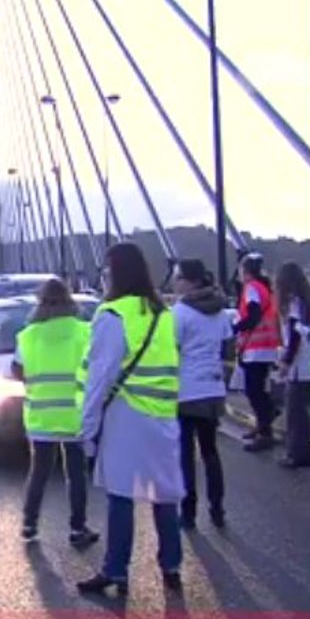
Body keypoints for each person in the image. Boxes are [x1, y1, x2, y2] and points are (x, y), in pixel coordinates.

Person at [77, 243, 183, 597]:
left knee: (121, 494)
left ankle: (116, 570)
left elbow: (100, 377)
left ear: (114, 273)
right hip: (163, 414)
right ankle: (171, 565)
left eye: (105, 271)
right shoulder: (163, 313)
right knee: (164, 494)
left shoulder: (113, 315)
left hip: (127, 413)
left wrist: (87, 428)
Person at [11, 278, 98, 546]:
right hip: (74, 414)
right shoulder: (84, 331)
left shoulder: (27, 335)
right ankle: (77, 527)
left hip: (41, 415)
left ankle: (29, 523)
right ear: (69, 299)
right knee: (76, 474)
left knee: (39, 472)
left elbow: (17, 371)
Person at [170, 259, 232, 530]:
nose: (174, 282)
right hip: (213, 388)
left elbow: (172, 350)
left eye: (178, 277)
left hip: (186, 389)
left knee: (185, 453)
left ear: (191, 281)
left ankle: (189, 511)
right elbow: (227, 348)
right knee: (210, 451)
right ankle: (217, 509)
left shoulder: (180, 312)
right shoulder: (220, 311)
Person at [234, 252, 280, 452]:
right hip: (267, 345)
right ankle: (264, 422)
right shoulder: (265, 288)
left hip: (256, 346)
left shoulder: (251, 288)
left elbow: (253, 315)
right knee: (257, 389)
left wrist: (235, 328)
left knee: (253, 391)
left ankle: (265, 430)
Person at [275, 261, 310, 468]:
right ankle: (302, 452)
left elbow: (295, 336)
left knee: (295, 412)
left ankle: (297, 454)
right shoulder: (307, 302)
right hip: (308, 362)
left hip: (299, 365)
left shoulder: (293, 304)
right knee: (301, 411)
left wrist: (285, 361)